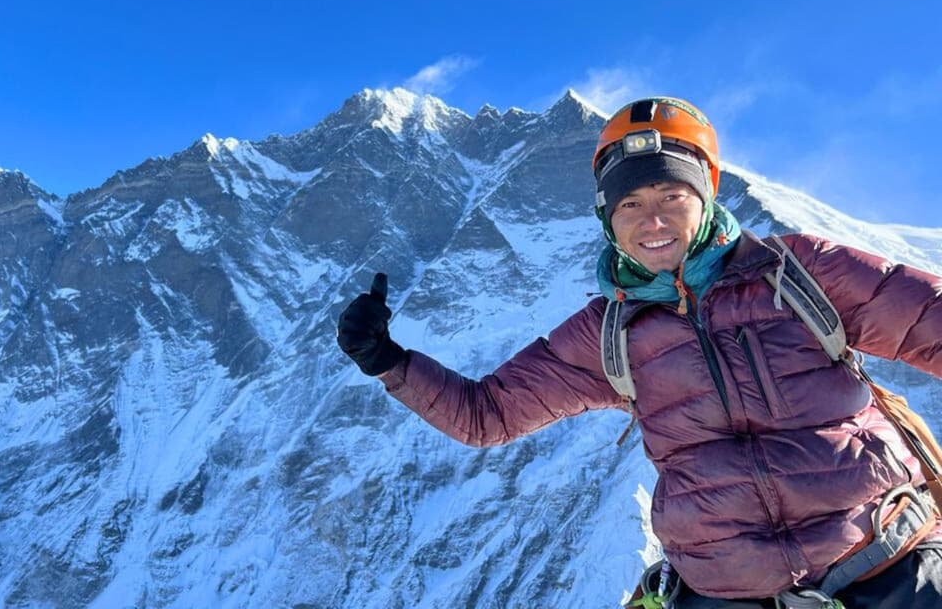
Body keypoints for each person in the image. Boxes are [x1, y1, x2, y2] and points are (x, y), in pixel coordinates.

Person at [336, 97, 942, 608]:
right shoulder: (607, 334)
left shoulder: (801, 273)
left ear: (705, 196)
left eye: (669, 195)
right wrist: (389, 361)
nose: (651, 220)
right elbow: (486, 415)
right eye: (629, 204)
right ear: (608, 218)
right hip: (727, 588)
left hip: (886, 558)